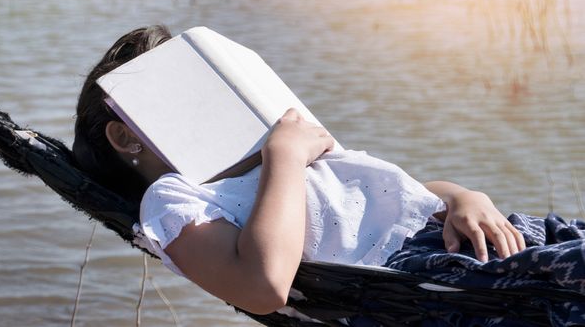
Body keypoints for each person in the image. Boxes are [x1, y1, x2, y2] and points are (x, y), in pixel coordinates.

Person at [72, 25, 531, 315]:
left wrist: (463, 198)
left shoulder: (264, 153)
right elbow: (262, 287)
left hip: (475, 241)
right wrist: (284, 158)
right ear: (126, 137)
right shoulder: (177, 197)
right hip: (423, 281)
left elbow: (380, 199)